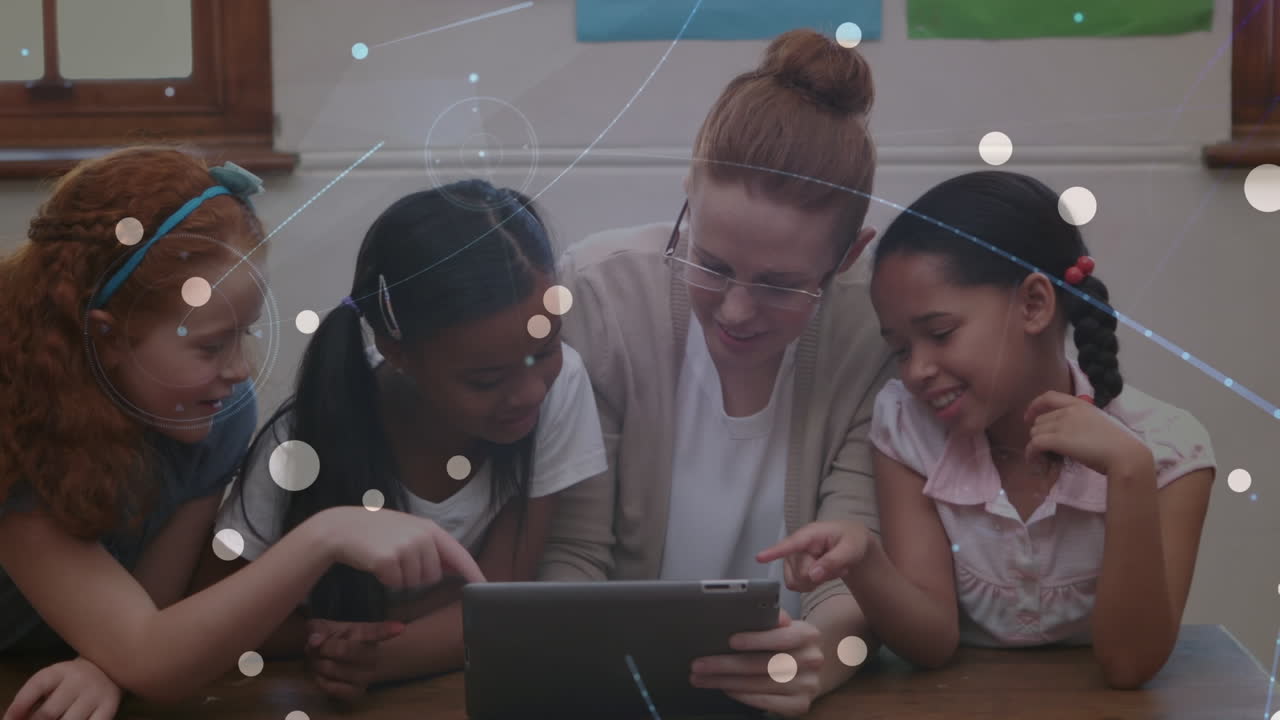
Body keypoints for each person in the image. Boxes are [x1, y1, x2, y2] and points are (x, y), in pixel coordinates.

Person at [0, 148, 481, 720]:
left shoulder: (219, 415)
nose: (239, 369)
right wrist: (324, 535)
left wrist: (105, 664)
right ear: (107, 336)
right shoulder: (17, 427)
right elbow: (151, 656)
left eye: (244, 333)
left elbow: (155, 608)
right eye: (210, 345)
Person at [539, 29, 894, 717]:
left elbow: (853, 575)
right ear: (688, 195)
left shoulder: (872, 329)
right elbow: (575, 558)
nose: (736, 310)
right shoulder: (604, 296)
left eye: (780, 284)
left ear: (848, 256)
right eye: (711, 262)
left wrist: (817, 661)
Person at [760, 170, 1216, 689]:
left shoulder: (1171, 451)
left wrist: (1130, 473)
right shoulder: (908, 428)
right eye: (901, 349)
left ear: (1035, 304)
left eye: (940, 333)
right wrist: (864, 557)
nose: (915, 371)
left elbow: (1130, 664)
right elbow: (931, 644)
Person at [204, 179, 607, 700]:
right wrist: (337, 643)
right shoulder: (301, 443)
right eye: (485, 381)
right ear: (397, 352)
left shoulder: (561, 385)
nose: (530, 391)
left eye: (548, 348)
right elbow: (212, 616)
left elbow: (502, 594)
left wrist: (385, 655)